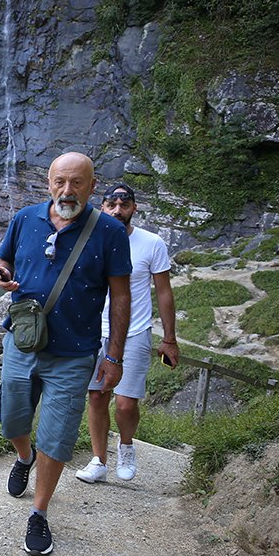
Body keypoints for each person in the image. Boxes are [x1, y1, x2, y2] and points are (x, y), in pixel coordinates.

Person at [0, 152, 131, 556]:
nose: (67, 191)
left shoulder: (109, 231)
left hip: (74, 354)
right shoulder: (25, 218)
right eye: (60, 182)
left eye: (77, 183)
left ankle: (39, 512)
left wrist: (114, 356)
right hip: (22, 341)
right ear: (48, 183)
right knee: (11, 418)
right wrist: (2, 273)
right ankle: (24, 457)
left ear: (92, 186)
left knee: (57, 434)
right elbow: (4, 259)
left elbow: (121, 297)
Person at [78, 184, 179, 484]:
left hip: (134, 331)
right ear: (102, 207)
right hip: (95, 329)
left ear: (134, 208)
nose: (117, 210)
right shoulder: (89, 239)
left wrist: (169, 338)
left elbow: (164, 291)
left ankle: (125, 445)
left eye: (124, 205)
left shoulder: (152, 243)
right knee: (97, 397)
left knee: (125, 403)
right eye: (111, 204)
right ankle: (98, 460)